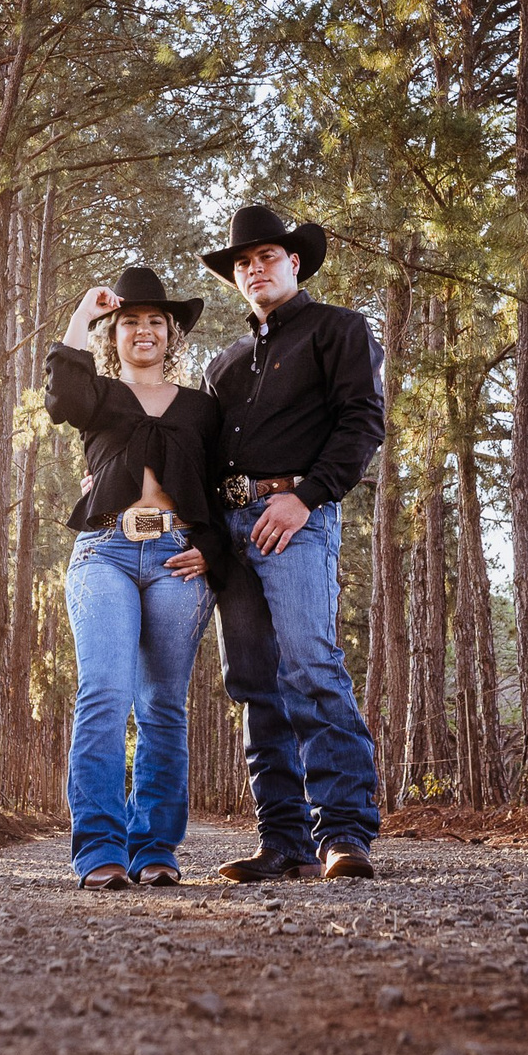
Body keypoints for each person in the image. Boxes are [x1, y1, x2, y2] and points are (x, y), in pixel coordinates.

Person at [198, 204, 387, 882]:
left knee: (310, 663)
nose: (254, 268)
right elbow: (200, 456)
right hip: (229, 526)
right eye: (243, 262)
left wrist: (305, 497)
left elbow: (364, 422)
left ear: (293, 262)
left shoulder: (339, 329)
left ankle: (343, 832)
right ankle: (282, 841)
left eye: (267, 256)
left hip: (298, 520)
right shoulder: (224, 363)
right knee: (253, 680)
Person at [45, 265, 226, 891]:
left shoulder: (205, 410)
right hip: (107, 554)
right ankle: (99, 848)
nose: (143, 331)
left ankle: (155, 848)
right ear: (114, 334)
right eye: (130, 323)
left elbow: (220, 489)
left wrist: (213, 550)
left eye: (155, 322)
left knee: (162, 707)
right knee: (105, 693)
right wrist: (82, 315)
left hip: (177, 558)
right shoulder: (99, 396)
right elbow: (61, 396)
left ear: (172, 335)